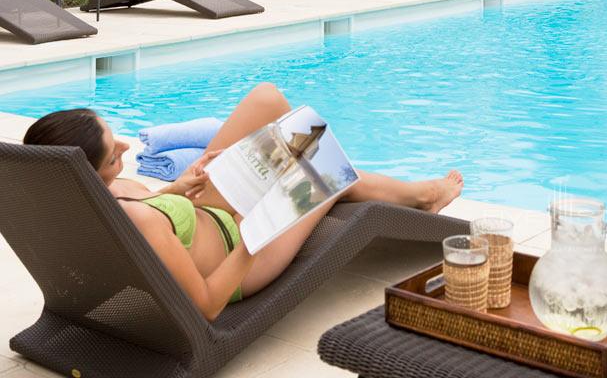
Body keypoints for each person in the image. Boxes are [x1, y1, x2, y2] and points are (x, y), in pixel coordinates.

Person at [23, 83, 463, 320]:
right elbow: (207, 307)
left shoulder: (82, 204)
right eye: (112, 152)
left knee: (267, 101)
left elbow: (148, 222)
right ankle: (423, 196)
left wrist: (178, 189)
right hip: (241, 252)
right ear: (84, 171)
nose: (123, 146)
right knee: (321, 169)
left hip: (205, 212)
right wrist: (257, 231)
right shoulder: (136, 222)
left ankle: (420, 194)